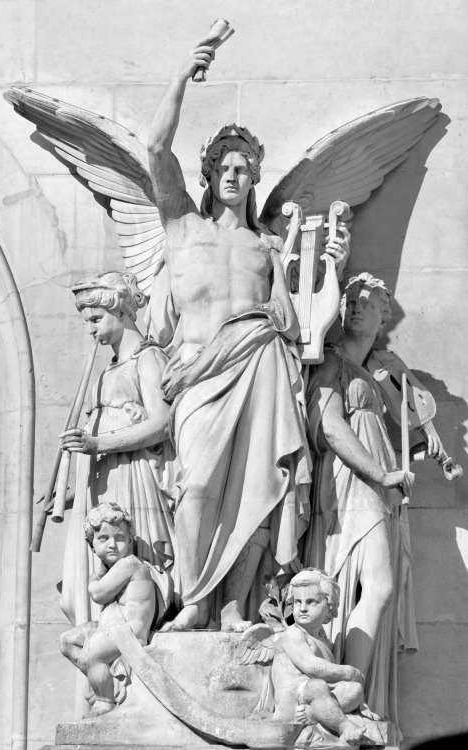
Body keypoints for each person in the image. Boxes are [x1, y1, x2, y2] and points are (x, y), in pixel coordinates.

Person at [146, 38, 350, 632]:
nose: (234, 176)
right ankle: (193, 602)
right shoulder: (183, 226)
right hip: (200, 377)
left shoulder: (266, 247)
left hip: (261, 366)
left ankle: (233, 607)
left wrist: (327, 270)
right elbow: (155, 148)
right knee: (199, 486)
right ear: (208, 175)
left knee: (258, 487)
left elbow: (298, 325)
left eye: (245, 169)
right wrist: (184, 72)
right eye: (224, 167)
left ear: (254, 178)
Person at [305, 272, 438, 729]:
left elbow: (413, 423)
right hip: (350, 482)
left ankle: (351, 685)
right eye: (350, 300)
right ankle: (347, 687)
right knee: (376, 584)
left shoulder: (369, 371)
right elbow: (329, 424)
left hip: (376, 483)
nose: (356, 307)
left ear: (384, 316)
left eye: (368, 302)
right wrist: (380, 471)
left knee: (379, 585)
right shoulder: (331, 362)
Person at [59, 271, 176, 628]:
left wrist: (97, 443)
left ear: (121, 311)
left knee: (130, 583)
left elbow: (162, 423)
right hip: (105, 486)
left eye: (96, 319)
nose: (91, 328)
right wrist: (70, 495)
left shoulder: (148, 358)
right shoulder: (107, 371)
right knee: (76, 597)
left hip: (135, 478)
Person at [60, 502, 156, 717]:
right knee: (67, 641)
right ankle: (103, 684)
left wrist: (96, 575)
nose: (113, 544)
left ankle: (105, 702)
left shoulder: (129, 564)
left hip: (129, 631)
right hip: (112, 626)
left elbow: (98, 594)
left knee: (89, 657)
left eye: (120, 537)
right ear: (92, 545)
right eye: (103, 538)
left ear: (130, 540)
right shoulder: (117, 567)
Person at [271, 569, 367, 744]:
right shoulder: (293, 635)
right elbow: (311, 667)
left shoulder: (322, 639)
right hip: (291, 699)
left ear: (329, 607)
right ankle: (344, 727)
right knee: (318, 686)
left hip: (312, 697)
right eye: (297, 602)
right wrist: (348, 671)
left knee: (354, 690)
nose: (303, 608)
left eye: (312, 602)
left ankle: (311, 714)